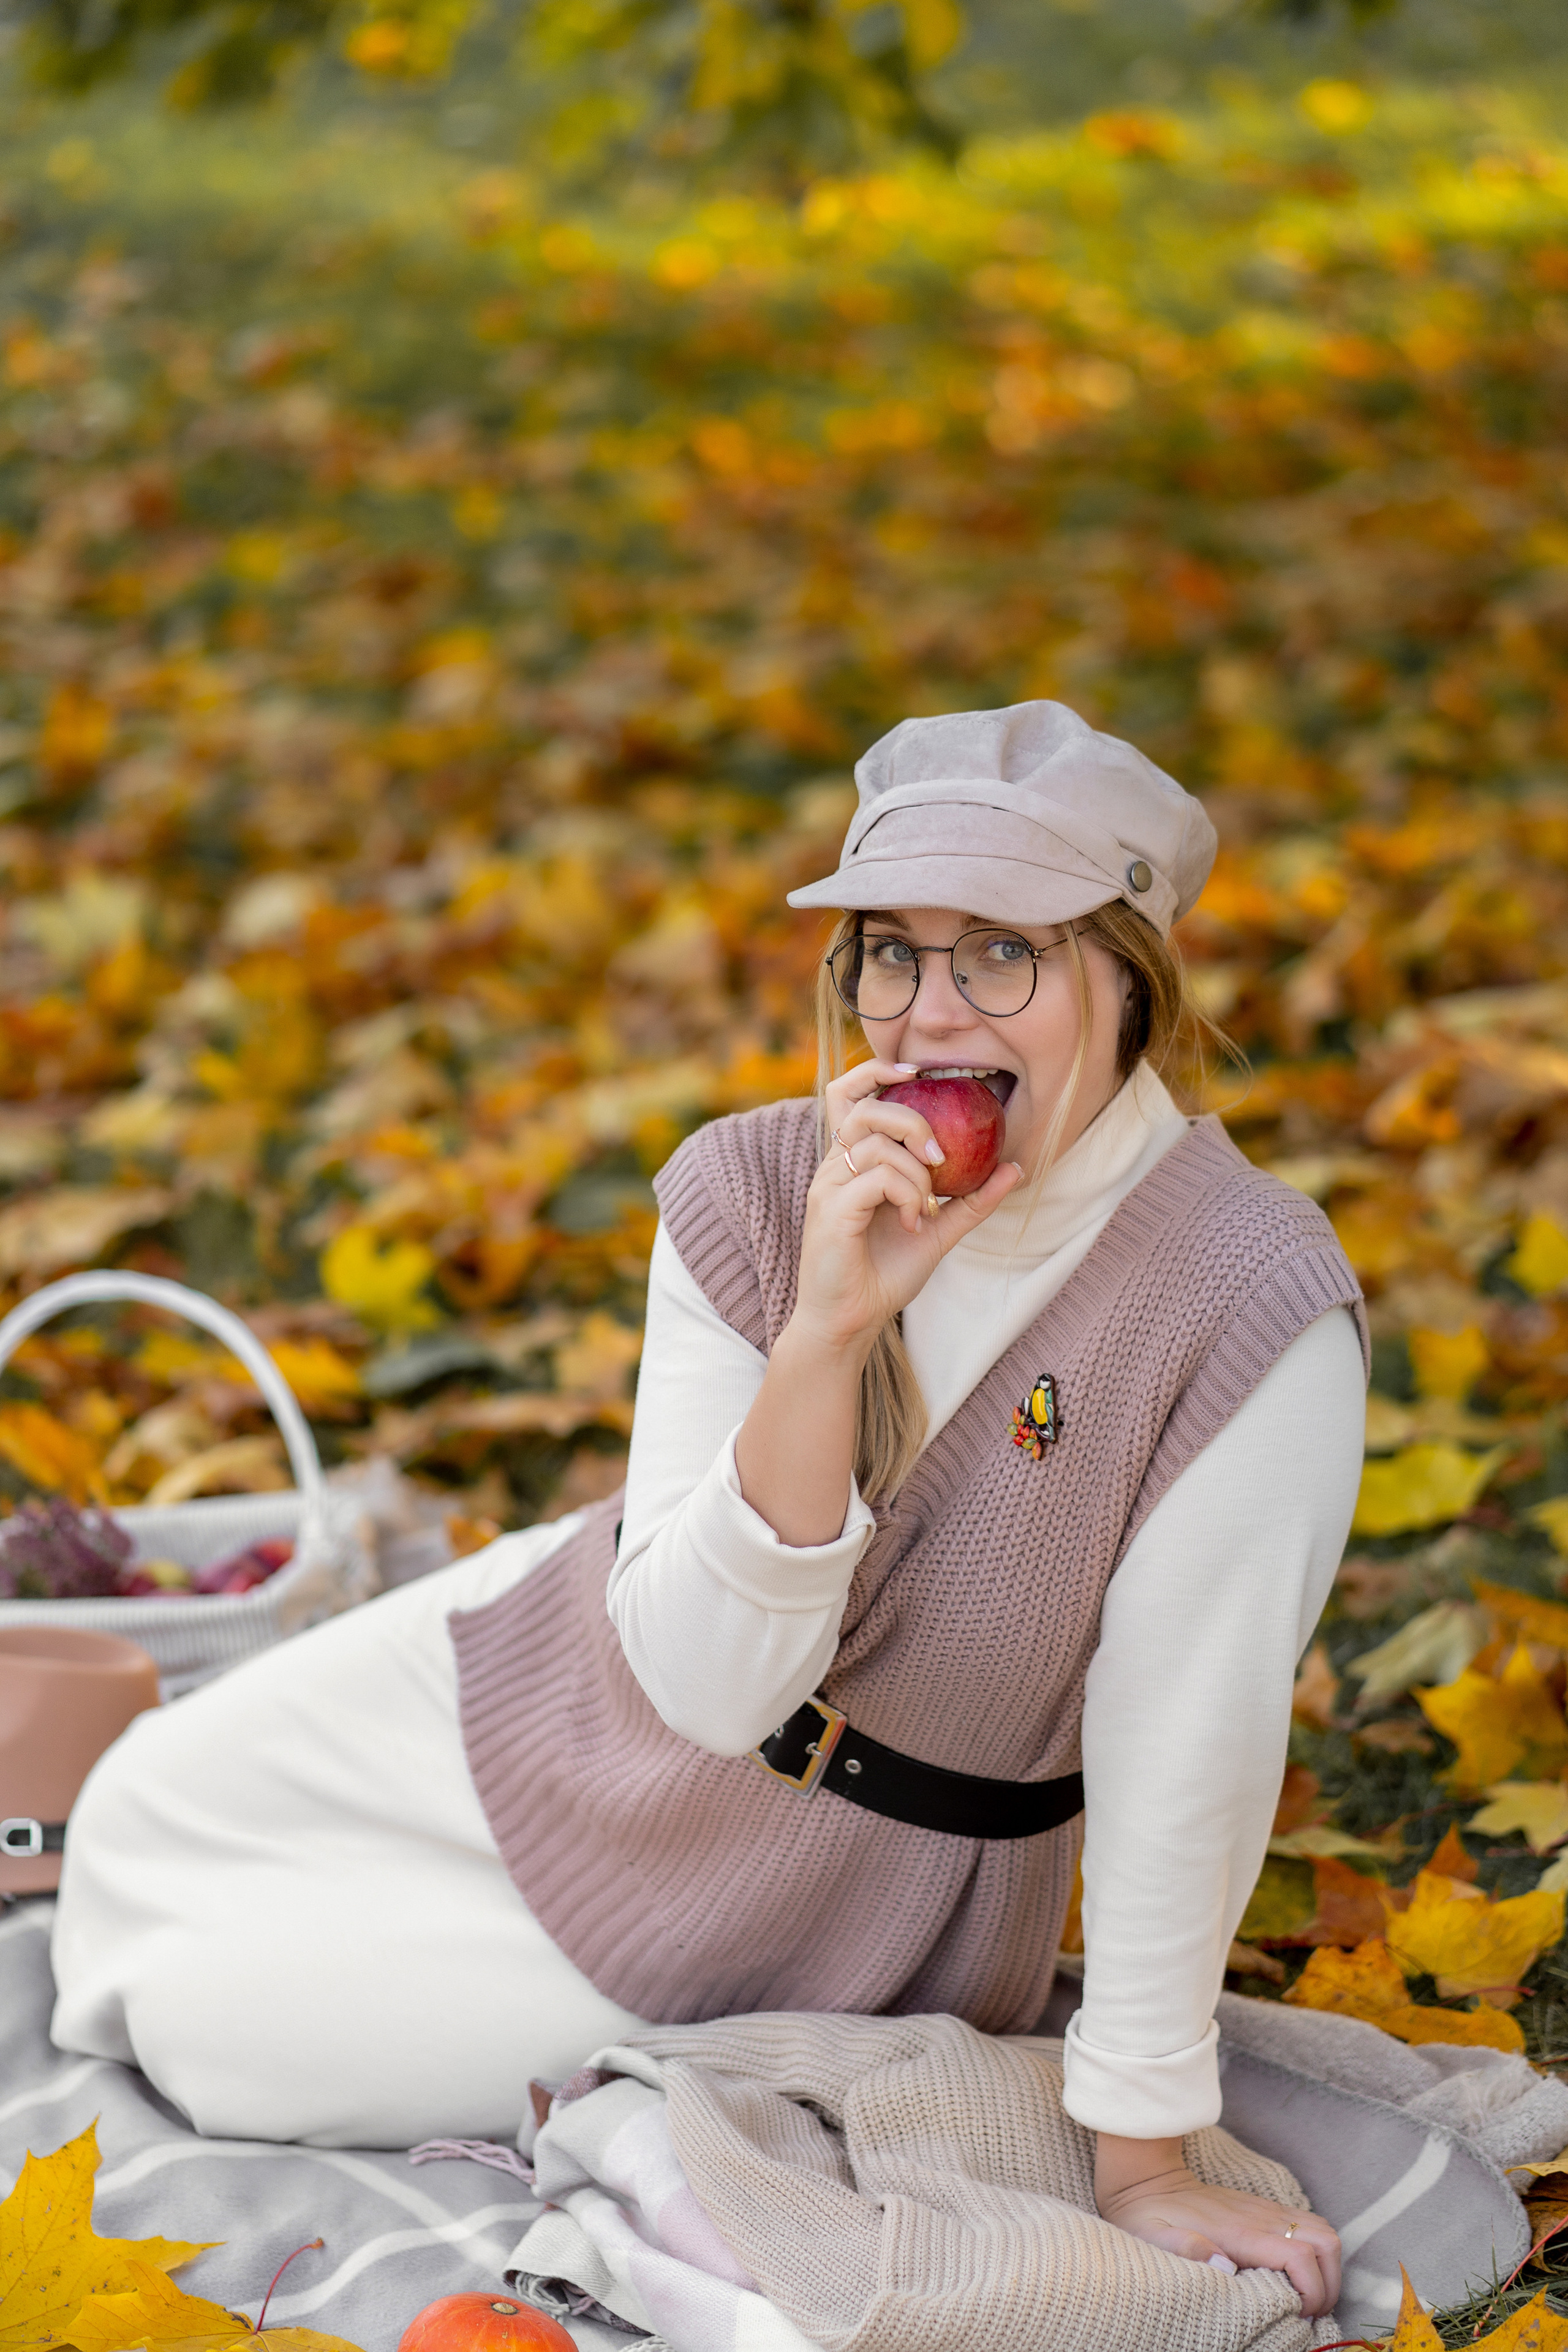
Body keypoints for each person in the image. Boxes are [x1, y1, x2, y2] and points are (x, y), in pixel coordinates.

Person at [53, 701, 1365, 2316]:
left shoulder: (1245, 1297)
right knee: (136, 1817)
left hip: (845, 1901)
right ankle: (643, 2092)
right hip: (571, 1701)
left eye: (999, 957)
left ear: (1128, 976)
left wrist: (1148, 2151)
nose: (930, 1011)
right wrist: (827, 1331)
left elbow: (1195, 1745)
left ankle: (672, 2112)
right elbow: (700, 1683)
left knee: (222, 2039)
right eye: (893, 952)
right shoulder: (757, 1186)